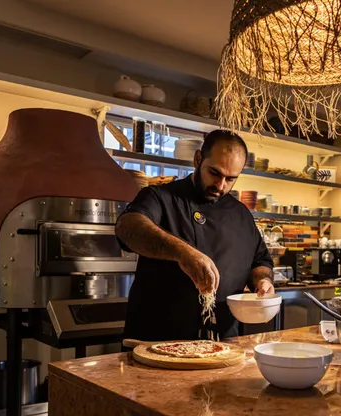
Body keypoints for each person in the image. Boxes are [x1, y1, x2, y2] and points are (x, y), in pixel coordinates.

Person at [116, 129, 274, 342]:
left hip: (223, 343)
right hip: (158, 341)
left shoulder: (242, 215)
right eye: (215, 173)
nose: (220, 185)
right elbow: (128, 227)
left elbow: (260, 262)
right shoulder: (161, 197)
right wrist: (182, 252)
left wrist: (263, 281)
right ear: (198, 159)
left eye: (230, 179)